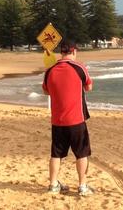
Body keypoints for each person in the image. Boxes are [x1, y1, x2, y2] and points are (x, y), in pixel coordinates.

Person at [42, 40, 93, 196]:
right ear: (74, 52)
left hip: (58, 120)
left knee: (56, 154)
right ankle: (82, 186)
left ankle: (53, 184)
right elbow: (89, 87)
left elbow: (46, 91)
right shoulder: (79, 67)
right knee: (81, 153)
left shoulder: (50, 70)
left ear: (61, 52)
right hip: (76, 119)